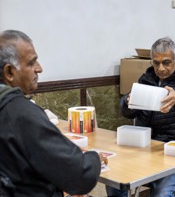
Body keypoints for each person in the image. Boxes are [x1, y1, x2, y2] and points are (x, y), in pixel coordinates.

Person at [0, 29, 107, 197]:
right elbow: (80, 176)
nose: (39, 68)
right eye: (31, 63)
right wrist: (94, 158)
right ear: (9, 72)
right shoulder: (21, 113)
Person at [106, 37, 175, 197]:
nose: (161, 68)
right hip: (145, 150)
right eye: (156, 63)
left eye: (166, 62)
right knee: (115, 179)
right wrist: (128, 101)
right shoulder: (145, 81)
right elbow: (127, 112)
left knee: (162, 193)